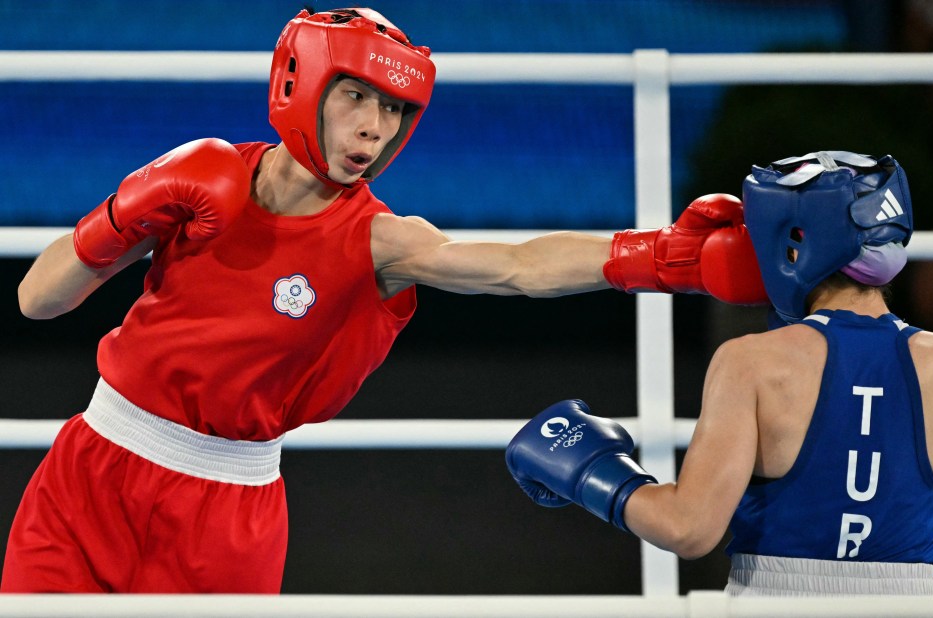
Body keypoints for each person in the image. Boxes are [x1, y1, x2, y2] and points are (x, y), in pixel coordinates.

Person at [0, 8, 766, 594]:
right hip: (89, 472)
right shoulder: (203, 181)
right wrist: (122, 211)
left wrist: (658, 256)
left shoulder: (380, 241)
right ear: (300, 84)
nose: (374, 128)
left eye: (394, 110)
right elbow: (37, 299)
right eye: (356, 97)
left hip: (225, 511)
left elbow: (518, 265)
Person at [507, 150, 933, 596]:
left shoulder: (754, 363)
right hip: (912, 604)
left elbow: (688, 528)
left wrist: (594, 472)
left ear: (794, 240)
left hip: (773, 600)